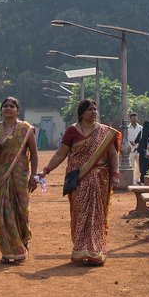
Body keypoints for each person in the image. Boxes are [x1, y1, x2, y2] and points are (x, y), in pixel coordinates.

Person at [40, 99, 120, 266]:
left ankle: (95, 251)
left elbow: (112, 155)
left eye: (95, 109)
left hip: (100, 179)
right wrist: (46, 170)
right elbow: (61, 154)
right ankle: (80, 249)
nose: (94, 112)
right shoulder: (72, 131)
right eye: (90, 109)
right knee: (80, 212)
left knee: (96, 214)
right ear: (81, 113)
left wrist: (115, 174)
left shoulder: (105, 132)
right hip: (78, 179)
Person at [0, 97, 39, 264]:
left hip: (20, 175)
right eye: (5, 106)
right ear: (1, 110)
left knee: (22, 211)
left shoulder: (26, 129)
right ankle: (9, 250)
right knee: (4, 213)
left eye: (12, 106)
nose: (8, 108)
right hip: (1, 175)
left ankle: (23, 241)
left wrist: (34, 176)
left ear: (17, 110)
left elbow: (34, 154)